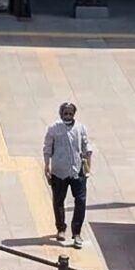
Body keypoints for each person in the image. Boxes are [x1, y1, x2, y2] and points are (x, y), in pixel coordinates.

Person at [42, 101, 92, 248]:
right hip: (59, 171)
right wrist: (46, 166)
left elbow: (86, 146)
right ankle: (61, 228)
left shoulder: (80, 128)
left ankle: (76, 233)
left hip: (77, 170)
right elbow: (47, 148)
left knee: (80, 201)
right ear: (61, 114)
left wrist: (88, 164)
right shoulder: (53, 129)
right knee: (58, 201)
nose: (68, 116)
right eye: (65, 113)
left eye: (70, 113)